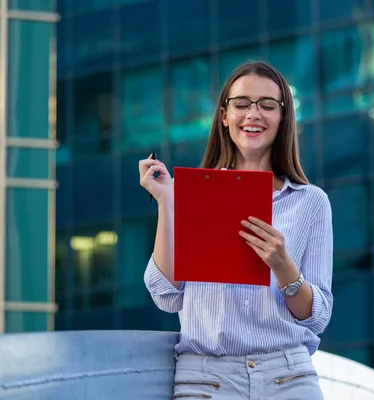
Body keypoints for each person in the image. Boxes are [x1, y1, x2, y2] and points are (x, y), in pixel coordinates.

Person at [138, 60, 333, 400]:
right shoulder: (193, 194)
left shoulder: (311, 202)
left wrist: (283, 266)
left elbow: (316, 316)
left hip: (287, 377)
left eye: (267, 105)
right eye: (241, 104)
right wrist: (168, 202)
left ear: (283, 117)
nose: (253, 114)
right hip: (205, 381)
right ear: (225, 116)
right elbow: (167, 295)